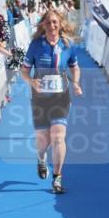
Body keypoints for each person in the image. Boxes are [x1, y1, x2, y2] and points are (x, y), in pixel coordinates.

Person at [20, 10, 82, 194]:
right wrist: (32, 81)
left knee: (58, 136)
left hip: (61, 97)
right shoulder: (35, 45)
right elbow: (24, 71)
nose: (52, 26)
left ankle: (57, 178)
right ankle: (41, 158)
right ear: (43, 25)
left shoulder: (68, 45)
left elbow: (75, 67)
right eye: (48, 23)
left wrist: (76, 83)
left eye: (55, 22)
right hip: (39, 98)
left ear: (60, 24)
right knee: (43, 140)